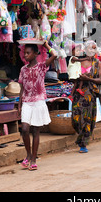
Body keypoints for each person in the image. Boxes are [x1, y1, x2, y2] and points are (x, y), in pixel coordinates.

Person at [18, 41, 57, 170]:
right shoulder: (23, 69)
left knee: (35, 130)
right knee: (24, 129)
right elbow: (22, 88)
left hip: (39, 101)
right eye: (25, 53)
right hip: (27, 102)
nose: (26, 55)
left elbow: (55, 55)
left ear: (35, 54)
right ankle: (28, 155)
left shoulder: (41, 66)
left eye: (28, 53)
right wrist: (19, 104)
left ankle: (34, 159)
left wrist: (46, 45)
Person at [71, 40, 101, 153]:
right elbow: (72, 76)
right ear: (85, 49)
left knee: (87, 119)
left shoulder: (97, 63)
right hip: (78, 94)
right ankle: (81, 137)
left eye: (94, 48)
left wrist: (88, 79)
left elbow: (100, 80)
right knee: (75, 119)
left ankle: (83, 144)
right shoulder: (78, 62)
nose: (92, 50)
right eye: (90, 48)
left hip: (90, 94)